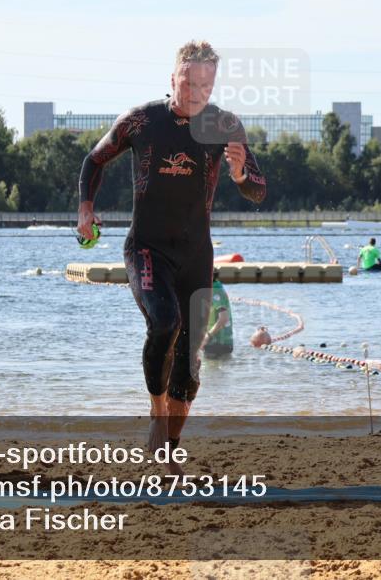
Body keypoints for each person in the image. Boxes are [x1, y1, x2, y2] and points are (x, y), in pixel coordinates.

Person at [77, 40, 266, 464]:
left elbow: (258, 189)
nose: (197, 92)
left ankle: (166, 451)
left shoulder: (226, 126)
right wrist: (86, 209)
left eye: (206, 84)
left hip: (196, 256)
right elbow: (94, 161)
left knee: (189, 368)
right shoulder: (142, 120)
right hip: (146, 248)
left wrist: (238, 174)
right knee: (165, 322)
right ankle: (156, 409)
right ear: (173, 78)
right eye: (189, 82)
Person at [202, 270, 233, 358]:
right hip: (221, 342)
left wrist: (207, 337)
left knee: (210, 370)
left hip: (217, 343)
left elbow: (224, 318)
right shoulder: (215, 285)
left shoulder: (215, 290)